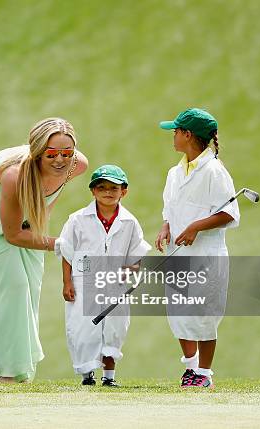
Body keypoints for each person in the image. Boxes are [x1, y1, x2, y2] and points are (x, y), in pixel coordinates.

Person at [0, 118, 88, 383]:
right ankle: (6, 373)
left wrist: (39, 225)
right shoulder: (13, 176)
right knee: (13, 286)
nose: (60, 160)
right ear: (38, 152)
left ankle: (22, 371)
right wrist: (60, 244)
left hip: (23, 212)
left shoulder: (77, 166)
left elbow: (49, 196)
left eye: (67, 153)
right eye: (51, 154)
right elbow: (13, 234)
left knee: (31, 284)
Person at [155, 108, 240, 388]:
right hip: (178, 255)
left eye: (176, 131)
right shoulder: (174, 172)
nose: (173, 135)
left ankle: (204, 374)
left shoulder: (215, 171)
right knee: (179, 313)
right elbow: (170, 207)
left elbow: (230, 214)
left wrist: (195, 227)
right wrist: (167, 226)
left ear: (188, 135)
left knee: (204, 315)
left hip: (206, 258)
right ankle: (190, 370)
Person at [56, 165, 151, 387]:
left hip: (115, 283)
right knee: (83, 329)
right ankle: (87, 376)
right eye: (101, 187)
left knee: (114, 329)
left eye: (113, 188)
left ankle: (109, 377)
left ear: (123, 192)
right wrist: (67, 282)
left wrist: (130, 270)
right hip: (84, 281)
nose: (107, 192)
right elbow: (67, 253)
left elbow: (136, 254)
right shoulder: (77, 219)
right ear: (93, 191)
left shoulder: (129, 222)